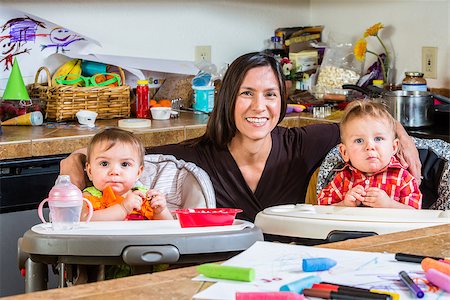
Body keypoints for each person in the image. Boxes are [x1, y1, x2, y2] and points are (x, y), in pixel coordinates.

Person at [61, 52, 421, 222]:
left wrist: (401, 134)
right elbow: (127, 154)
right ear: (228, 98)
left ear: (282, 101)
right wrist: (74, 164)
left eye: (270, 94)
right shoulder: (196, 156)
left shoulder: (304, 143)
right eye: (247, 93)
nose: (259, 106)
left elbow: (365, 123)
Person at [317, 101, 422, 209]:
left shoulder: (403, 179)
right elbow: (321, 210)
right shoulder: (342, 179)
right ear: (345, 152)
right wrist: (344, 204)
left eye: (378, 139)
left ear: (394, 147)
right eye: (359, 140)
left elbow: (415, 214)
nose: (370, 146)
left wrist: (389, 205)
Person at [81, 127, 173, 221]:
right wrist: (123, 209)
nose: (114, 172)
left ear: (138, 172)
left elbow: (169, 229)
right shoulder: (88, 197)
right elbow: (83, 220)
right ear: (90, 171)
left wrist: (161, 212)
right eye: (104, 163)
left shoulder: (143, 197)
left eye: (125, 164)